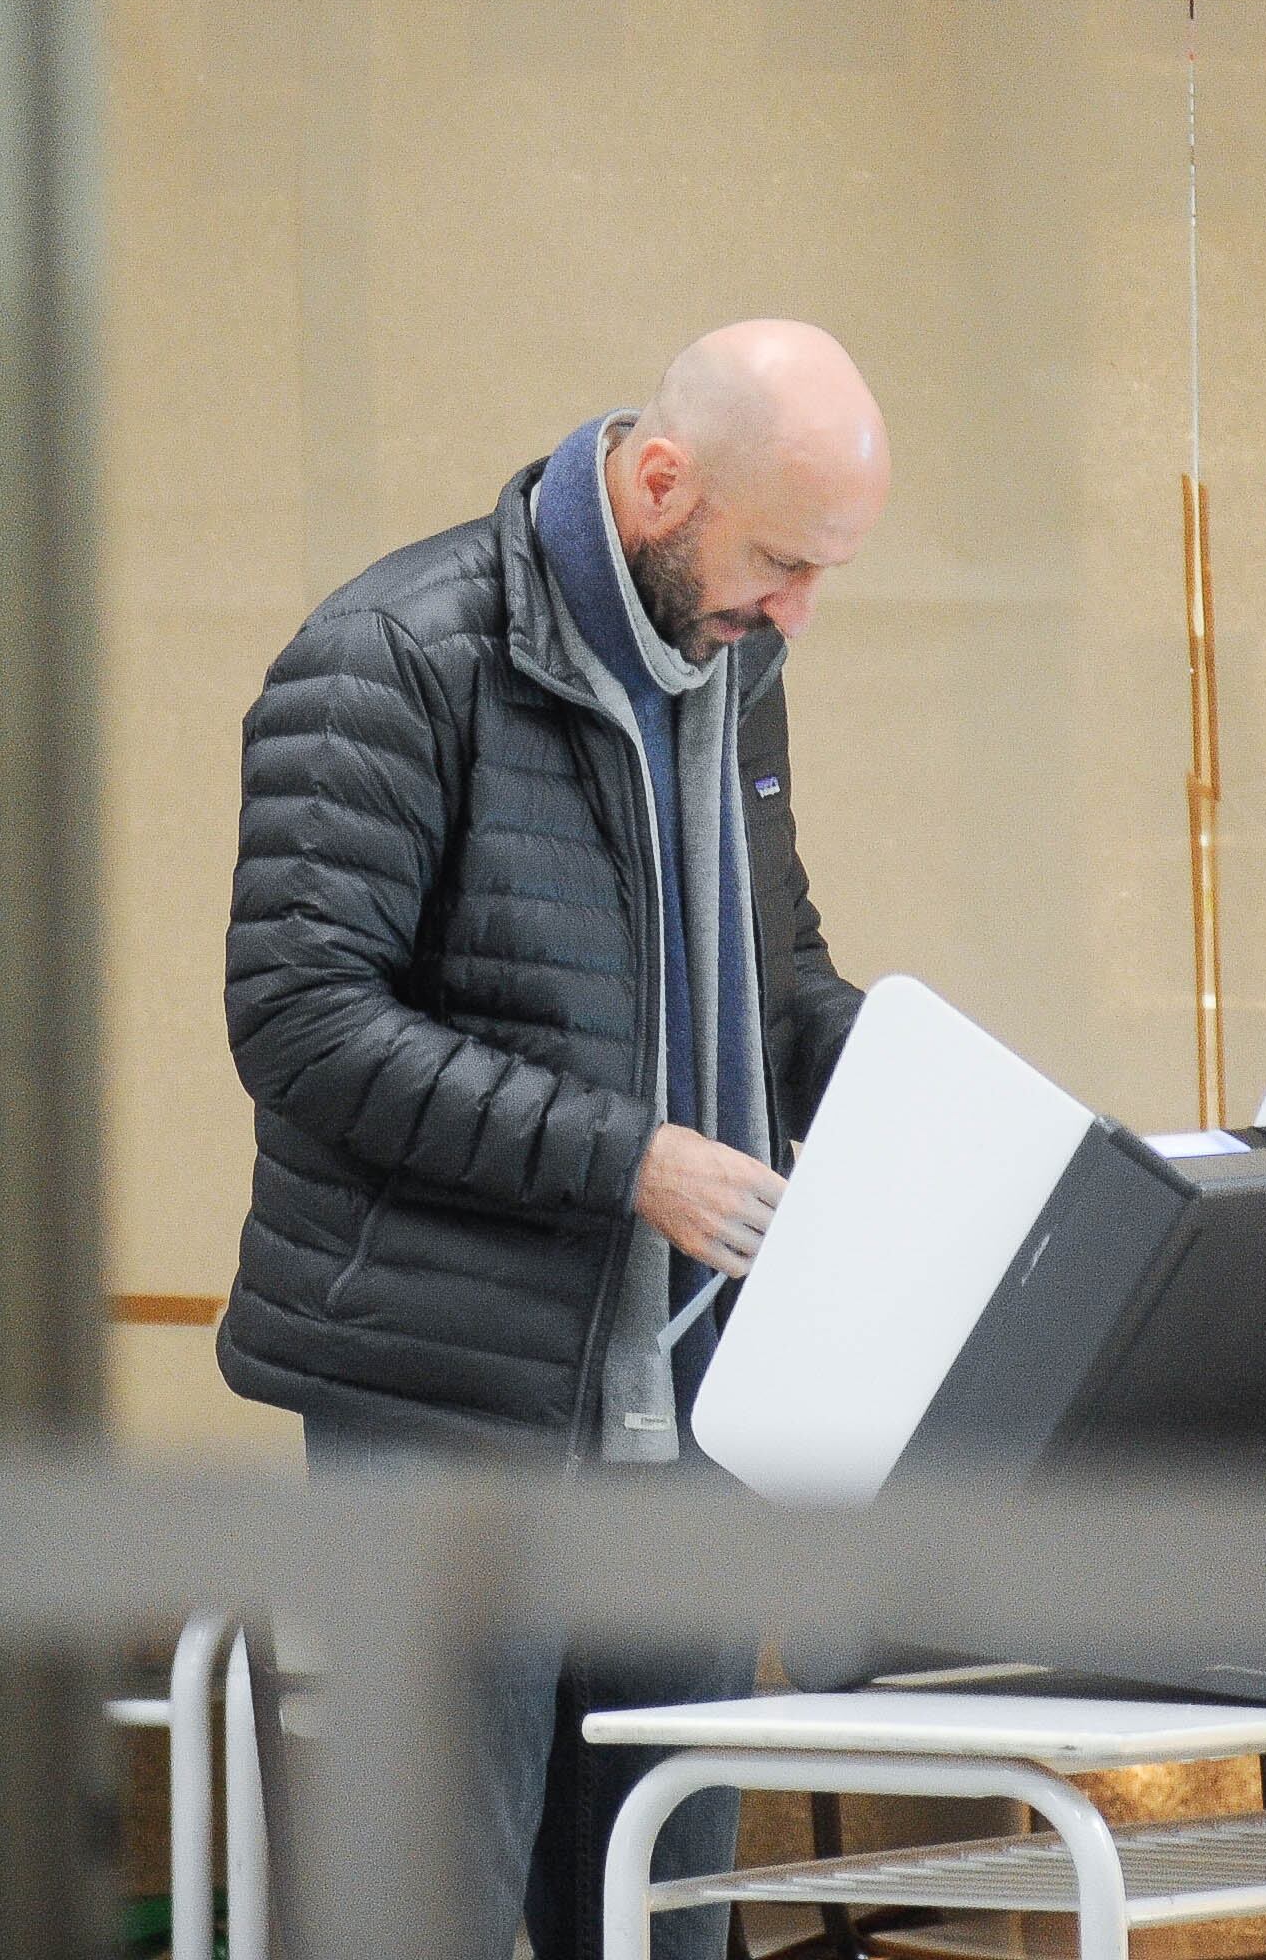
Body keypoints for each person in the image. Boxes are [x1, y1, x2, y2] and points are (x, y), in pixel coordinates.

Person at [218, 319, 893, 1960]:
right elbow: (300, 1022)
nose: (795, 612)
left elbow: (773, 973)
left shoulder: (734, 663)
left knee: (668, 1922)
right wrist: (626, 1160)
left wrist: (929, 1098)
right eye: (780, 563)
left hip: (693, 1412)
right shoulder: (390, 653)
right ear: (663, 481)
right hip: (448, 1418)